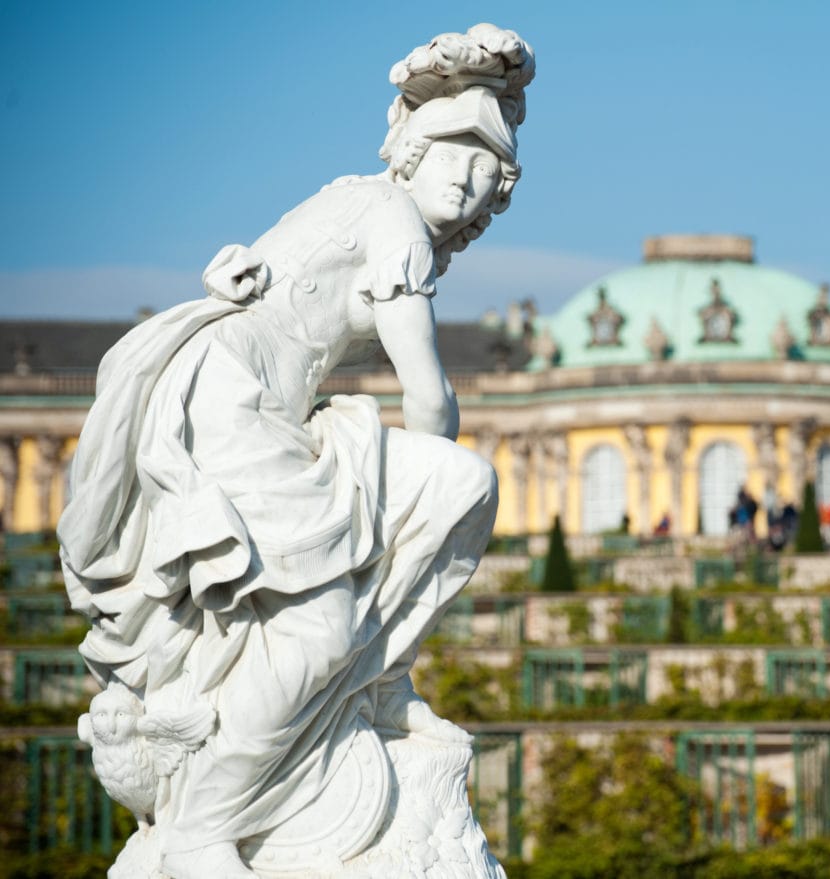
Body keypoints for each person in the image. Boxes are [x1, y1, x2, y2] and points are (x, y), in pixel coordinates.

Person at [57, 26, 533, 877]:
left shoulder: (357, 199)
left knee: (384, 557)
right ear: (411, 153)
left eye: (486, 177)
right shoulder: (396, 227)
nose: (466, 188)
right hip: (232, 404)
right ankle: (206, 824)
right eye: (455, 162)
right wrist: (409, 504)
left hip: (263, 407)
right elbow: (427, 395)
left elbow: (265, 274)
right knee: (330, 616)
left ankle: (372, 686)